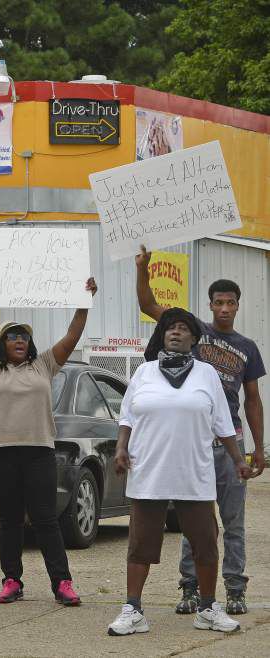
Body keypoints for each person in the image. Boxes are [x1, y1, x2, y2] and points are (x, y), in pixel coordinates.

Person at [136, 246, 265, 615]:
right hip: (193, 442)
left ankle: (235, 588)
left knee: (233, 521)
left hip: (232, 442)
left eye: (230, 303)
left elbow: (252, 399)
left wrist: (257, 447)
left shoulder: (247, 348)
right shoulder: (194, 331)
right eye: (218, 302)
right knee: (196, 520)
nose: (224, 308)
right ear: (209, 306)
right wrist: (143, 269)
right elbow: (149, 306)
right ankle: (190, 588)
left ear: (238, 306)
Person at [108, 308, 252, 636]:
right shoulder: (144, 373)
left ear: (193, 339)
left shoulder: (206, 375)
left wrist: (238, 459)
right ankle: (133, 609)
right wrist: (120, 450)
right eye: (170, 328)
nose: (176, 332)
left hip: (194, 473)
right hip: (148, 471)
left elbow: (224, 424)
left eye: (183, 329)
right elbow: (127, 417)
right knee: (140, 543)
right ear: (162, 335)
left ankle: (207, 608)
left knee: (205, 541)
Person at [0, 275, 98, 608]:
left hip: (38, 453)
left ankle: (62, 583)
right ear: (1, 343)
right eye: (12, 335)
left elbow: (72, 335)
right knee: (9, 521)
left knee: (46, 519)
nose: (19, 339)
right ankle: (12, 581)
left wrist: (84, 302)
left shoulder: (44, 365)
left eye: (23, 335)